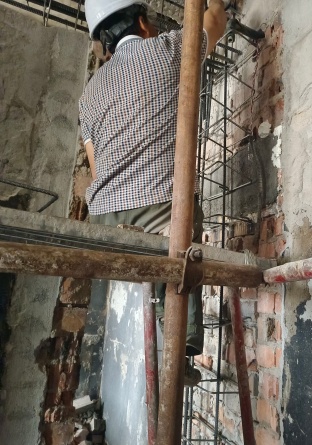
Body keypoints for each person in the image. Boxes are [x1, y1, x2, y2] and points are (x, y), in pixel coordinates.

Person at [79, 0, 228, 385]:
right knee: (180, 236)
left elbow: (96, 168)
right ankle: (178, 351)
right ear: (143, 23)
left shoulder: (88, 95)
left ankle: (155, 354)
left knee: (146, 265)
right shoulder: (169, 48)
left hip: (104, 220)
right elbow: (216, 20)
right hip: (157, 207)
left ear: (104, 44)